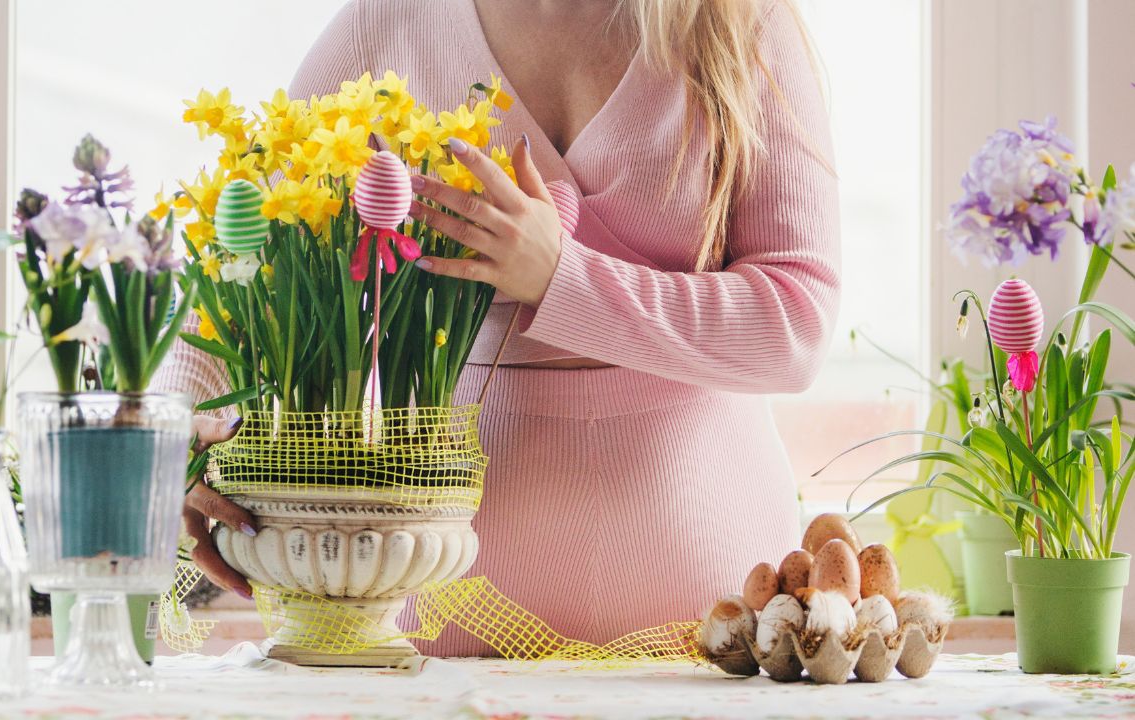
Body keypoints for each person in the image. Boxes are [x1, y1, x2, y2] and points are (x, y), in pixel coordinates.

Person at [155, 0, 840, 656]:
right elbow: (248, 268)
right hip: (432, 599)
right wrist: (174, 428)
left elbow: (797, 325)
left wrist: (562, 279)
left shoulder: (740, 22)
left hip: (714, 614)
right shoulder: (385, 24)